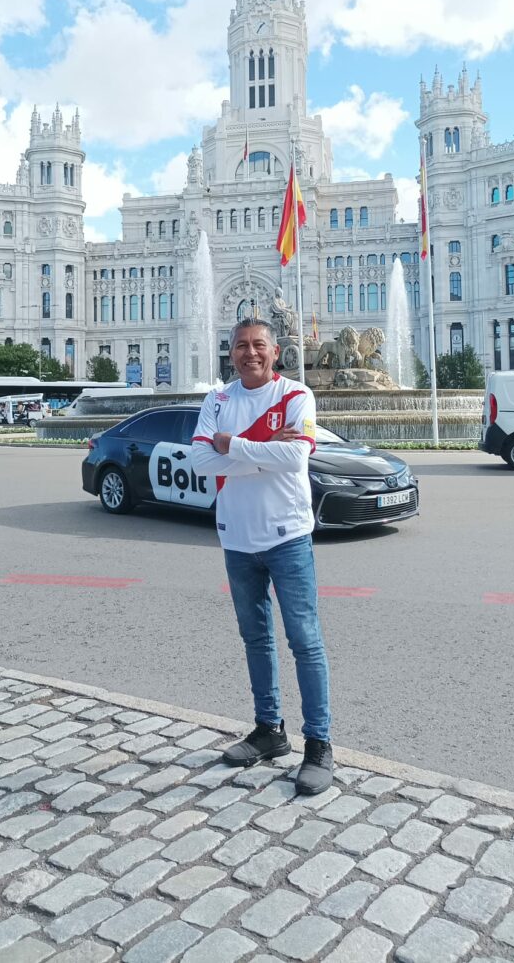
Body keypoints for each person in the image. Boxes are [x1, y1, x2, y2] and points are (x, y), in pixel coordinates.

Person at [192, 318, 333, 796]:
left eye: (258, 346)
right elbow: (200, 460)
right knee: (256, 640)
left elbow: (297, 456)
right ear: (229, 353)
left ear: (275, 351)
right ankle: (269, 731)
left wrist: (231, 446)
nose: (249, 353)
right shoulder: (217, 400)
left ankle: (319, 744)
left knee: (304, 641)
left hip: (287, 536)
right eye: (240, 346)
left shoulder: (295, 395)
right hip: (237, 538)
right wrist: (261, 451)